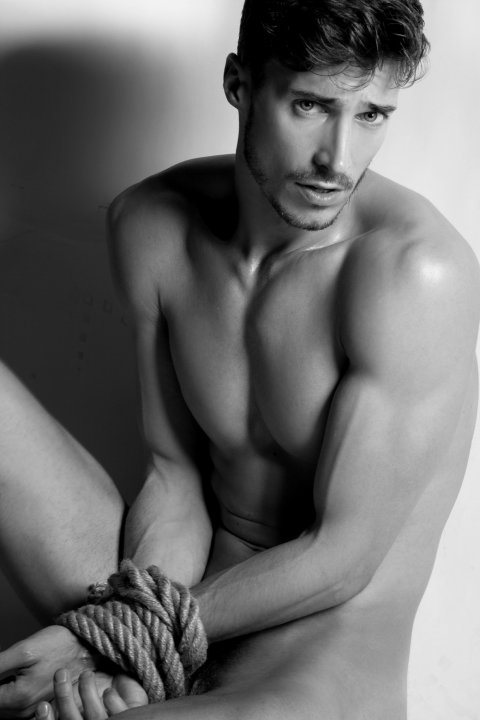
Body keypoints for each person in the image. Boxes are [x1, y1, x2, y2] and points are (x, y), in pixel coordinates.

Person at [0, 1, 478, 718]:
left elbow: (341, 556)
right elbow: (174, 478)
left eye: (372, 114)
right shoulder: (152, 224)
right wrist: (133, 649)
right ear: (239, 83)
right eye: (310, 105)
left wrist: (125, 633)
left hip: (305, 666)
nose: (338, 159)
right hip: (173, 595)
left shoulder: (412, 273)